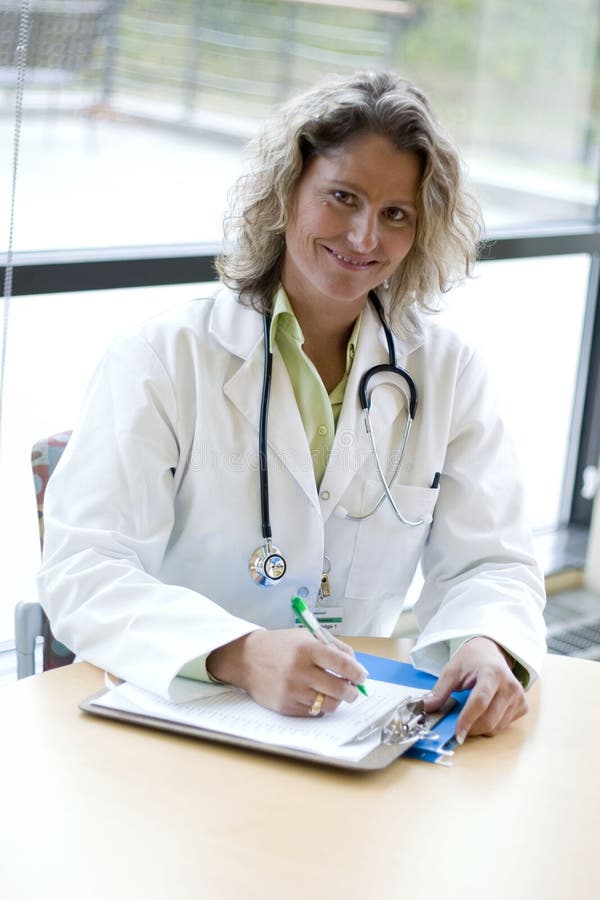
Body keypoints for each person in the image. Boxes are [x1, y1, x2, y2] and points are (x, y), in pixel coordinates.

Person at [38, 70, 546, 742]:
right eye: (343, 197)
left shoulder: (447, 371)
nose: (366, 237)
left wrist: (486, 640)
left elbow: (493, 563)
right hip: (181, 719)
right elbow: (83, 569)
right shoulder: (163, 356)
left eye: (396, 213)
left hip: (344, 722)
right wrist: (238, 651)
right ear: (287, 195)